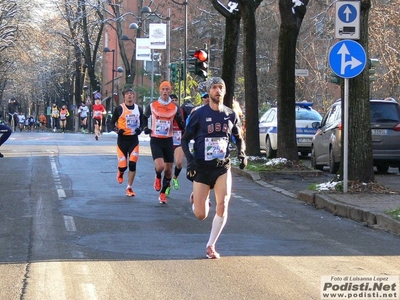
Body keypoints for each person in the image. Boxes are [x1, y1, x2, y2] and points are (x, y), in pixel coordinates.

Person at [181, 77, 247, 259]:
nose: (218, 91)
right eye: (215, 88)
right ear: (209, 92)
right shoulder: (198, 114)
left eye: (221, 88)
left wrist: (242, 153)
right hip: (202, 167)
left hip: (222, 167)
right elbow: (185, 140)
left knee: (223, 204)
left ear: (224, 92)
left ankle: (211, 245)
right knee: (201, 215)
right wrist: (191, 161)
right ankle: (197, 198)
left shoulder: (231, 114)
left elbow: (239, 137)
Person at [143, 81, 185, 204]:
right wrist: (146, 128)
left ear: (170, 91)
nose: (165, 91)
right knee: (160, 166)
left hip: (168, 140)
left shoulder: (175, 107)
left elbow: (181, 123)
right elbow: (144, 117)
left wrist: (183, 126)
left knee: (168, 170)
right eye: (163, 89)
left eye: (167, 89)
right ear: (160, 91)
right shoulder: (152, 105)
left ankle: (162, 193)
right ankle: (157, 176)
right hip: (156, 139)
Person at [110, 87, 145, 197]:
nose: (129, 95)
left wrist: (141, 129)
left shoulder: (138, 109)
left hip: (133, 140)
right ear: (124, 96)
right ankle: (120, 172)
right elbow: (111, 123)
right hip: (122, 140)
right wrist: (117, 130)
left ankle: (129, 187)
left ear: (133, 96)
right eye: (127, 94)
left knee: (133, 164)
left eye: (131, 94)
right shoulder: (119, 109)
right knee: (123, 166)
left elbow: (143, 122)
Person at [165, 94, 185, 197]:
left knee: (179, 162)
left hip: (178, 140)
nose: (174, 102)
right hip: (167, 140)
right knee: (167, 168)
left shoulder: (182, 111)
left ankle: (175, 178)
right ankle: (167, 185)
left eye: (175, 100)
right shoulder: (165, 110)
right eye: (172, 100)